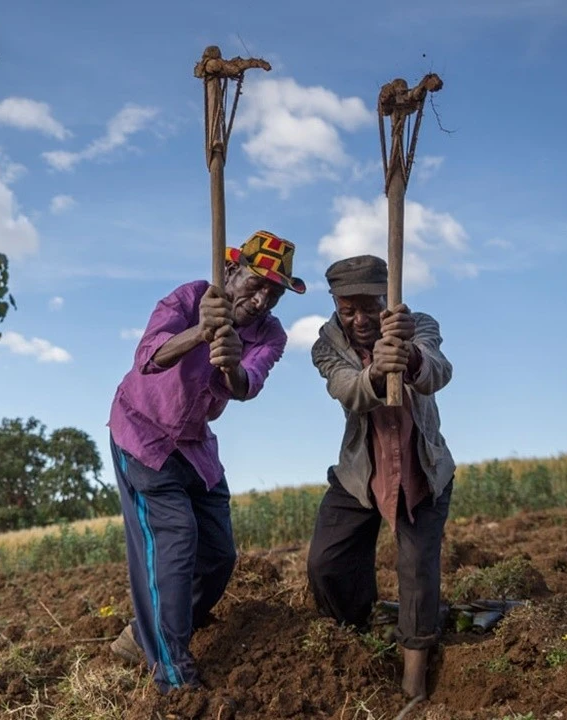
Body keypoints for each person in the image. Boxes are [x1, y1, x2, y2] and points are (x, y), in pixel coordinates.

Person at [106, 230, 305, 693]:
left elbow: (247, 385)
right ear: (231, 271)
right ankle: (172, 674)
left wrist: (232, 362)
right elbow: (147, 360)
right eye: (255, 284)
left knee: (218, 555)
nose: (261, 300)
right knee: (176, 539)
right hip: (143, 433)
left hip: (195, 445)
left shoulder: (270, 335)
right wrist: (200, 331)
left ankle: (145, 634)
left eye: (273, 294)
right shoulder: (189, 298)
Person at [305, 254, 456, 702]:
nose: (359, 319)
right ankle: (358, 628)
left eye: (369, 307)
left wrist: (408, 355)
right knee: (325, 562)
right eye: (347, 309)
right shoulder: (326, 343)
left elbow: (439, 371)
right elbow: (346, 389)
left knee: (416, 569)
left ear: (387, 296)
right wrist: (373, 373)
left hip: (421, 470)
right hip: (360, 475)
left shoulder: (417, 324)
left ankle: (414, 675)